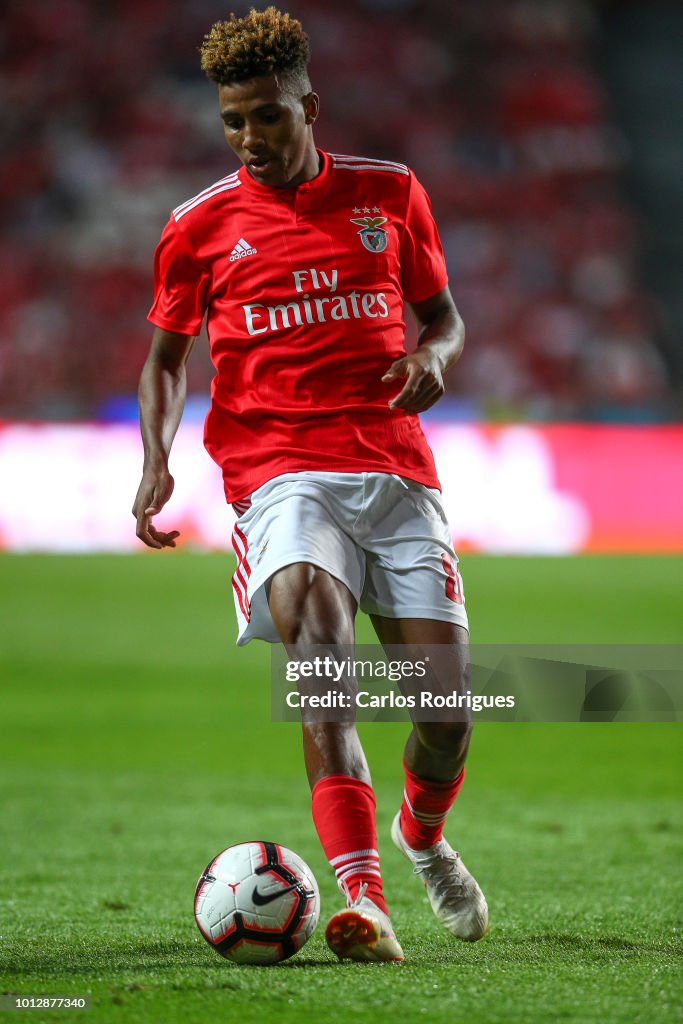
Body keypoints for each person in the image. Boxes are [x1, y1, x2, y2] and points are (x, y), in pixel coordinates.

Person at [133, 5, 487, 962]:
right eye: (233, 121)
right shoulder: (198, 227)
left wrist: (436, 355)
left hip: (393, 468)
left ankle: (421, 834)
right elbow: (165, 360)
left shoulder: (390, 193)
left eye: (269, 116)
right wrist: (156, 457)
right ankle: (362, 901)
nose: (250, 137)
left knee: (445, 711)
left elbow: (444, 316)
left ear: (309, 106)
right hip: (279, 472)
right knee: (320, 666)